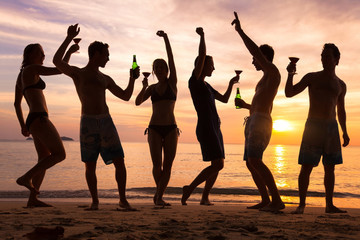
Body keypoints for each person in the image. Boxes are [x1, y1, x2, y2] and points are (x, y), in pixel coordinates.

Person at [53, 24, 139, 211]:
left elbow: (125, 96)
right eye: (106, 54)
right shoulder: (79, 73)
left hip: (106, 121)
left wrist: (132, 78)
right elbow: (57, 61)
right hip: (88, 123)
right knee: (90, 165)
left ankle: (123, 200)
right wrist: (69, 38)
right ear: (97, 54)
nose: (108, 58)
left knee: (120, 161)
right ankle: (95, 202)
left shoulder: (105, 78)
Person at [285, 43, 350, 214]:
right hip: (313, 126)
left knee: (330, 168)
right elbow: (289, 93)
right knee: (306, 167)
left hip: (331, 128)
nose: (324, 59)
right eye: (323, 56)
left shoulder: (341, 85)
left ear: (337, 60)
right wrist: (290, 74)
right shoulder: (312, 77)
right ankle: (301, 205)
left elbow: (341, 110)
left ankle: (329, 205)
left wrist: (345, 131)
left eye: (328, 56)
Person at [232, 12, 284, 212]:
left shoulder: (273, 73)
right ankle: (265, 200)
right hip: (254, 119)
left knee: (255, 160)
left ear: (263, 58)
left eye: (256, 59)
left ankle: (277, 200)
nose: (253, 61)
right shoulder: (263, 80)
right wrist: (245, 105)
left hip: (261, 122)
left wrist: (240, 32)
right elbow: (261, 105)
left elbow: (255, 51)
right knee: (250, 163)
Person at [181, 27, 239, 206]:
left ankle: (205, 197)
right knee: (217, 165)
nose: (213, 67)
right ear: (202, 66)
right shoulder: (195, 82)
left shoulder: (207, 85)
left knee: (218, 163)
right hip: (206, 127)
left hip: (215, 126)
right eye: (211, 64)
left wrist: (231, 84)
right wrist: (203, 36)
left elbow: (225, 98)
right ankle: (190, 189)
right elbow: (202, 53)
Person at [14, 43, 77, 207]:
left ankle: (32, 199)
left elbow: (16, 103)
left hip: (33, 119)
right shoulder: (31, 69)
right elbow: (60, 69)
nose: (43, 56)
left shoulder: (22, 74)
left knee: (43, 158)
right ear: (29, 55)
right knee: (60, 154)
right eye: (40, 53)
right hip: (40, 118)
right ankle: (26, 178)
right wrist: (69, 50)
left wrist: (23, 125)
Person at [135, 31, 178, 206]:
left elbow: (171, 57)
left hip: (170, 128)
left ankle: (158, 196)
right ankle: (159, 196)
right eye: (156, 67)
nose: (159, 69)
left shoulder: (172, 83)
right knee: (156, 165)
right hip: (153, 128)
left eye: (162, 67)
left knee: (167, 166)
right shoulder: (152, 88)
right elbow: (138, 102)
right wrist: (144, 87)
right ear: (153, 71)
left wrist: (166, 38)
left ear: (167, 70)